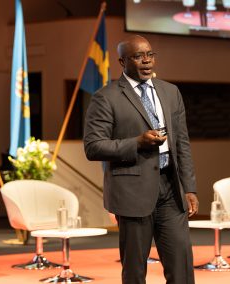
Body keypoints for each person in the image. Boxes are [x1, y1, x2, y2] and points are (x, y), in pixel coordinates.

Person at [83, 35, 199, 284]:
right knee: (135, 271)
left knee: (182, 266)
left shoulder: (170, 92)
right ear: (122, 61)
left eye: (150, 54)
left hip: (170, 190)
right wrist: (137, 143)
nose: (146, 61)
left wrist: (189, 187)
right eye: (138, 56)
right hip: (132, 192)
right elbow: (93, 147)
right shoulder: (106, 97)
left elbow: (182, 143)